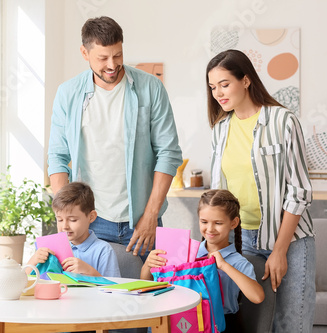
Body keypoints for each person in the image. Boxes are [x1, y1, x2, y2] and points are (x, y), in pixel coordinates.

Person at [47, 16, 182, 259]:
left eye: (117, 55)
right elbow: (57, 156)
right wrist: (66, 216)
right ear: (84, 53)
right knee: (90, 295)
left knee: (149, 293)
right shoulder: (68, 93)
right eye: (103, 58)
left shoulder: (150, 87)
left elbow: (169, 153)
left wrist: (151, 215)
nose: (112, 64)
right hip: (91, 221)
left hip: (143, 218)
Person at [206, 49, 316, 332]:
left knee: (291, 323)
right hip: (243, 241)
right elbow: (220, 195)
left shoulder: (282, 121)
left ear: (245, 80)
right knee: (251, 323)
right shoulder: (220, 129)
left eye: (224, 84)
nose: (218, 93)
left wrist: (279, 250)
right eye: (212, 87)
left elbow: (299, 190)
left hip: (289, 240)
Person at [141, 190, 264, 332]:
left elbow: (257, 297)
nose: (210, 229)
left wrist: (224, 265)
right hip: (185, 320)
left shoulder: (237, 262)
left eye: (218, 223)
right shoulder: (186, 252)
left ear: (233, 222)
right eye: (204, 222)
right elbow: (149, 286)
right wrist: (148, 265)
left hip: (223, 324)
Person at [26, 182, 120, 277]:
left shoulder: (104, 251)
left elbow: (114, 288)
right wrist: (34, 260)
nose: (65, 226)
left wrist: (89, 271)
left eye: (73, 220)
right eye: (60, 220)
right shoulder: (52, 247)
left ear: (91, 217)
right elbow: (23, 281)